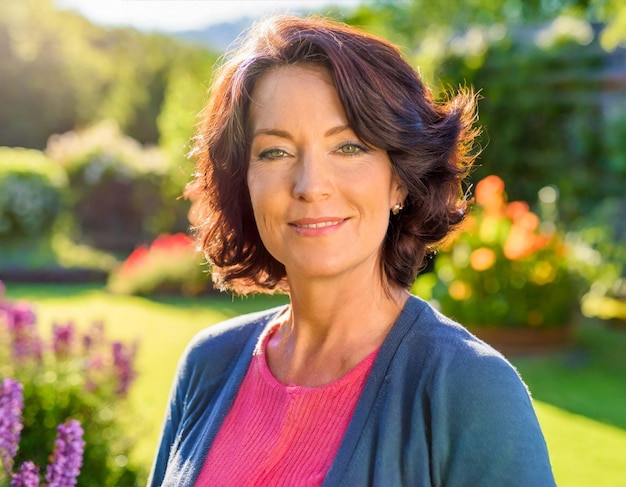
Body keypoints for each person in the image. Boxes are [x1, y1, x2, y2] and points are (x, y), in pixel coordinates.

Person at [148, 15, 556, 487]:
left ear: (399, 179)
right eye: (275, 152)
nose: (310, 186)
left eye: (348, 147)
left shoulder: (472, 391)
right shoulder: (207, 365)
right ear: (245, 183)